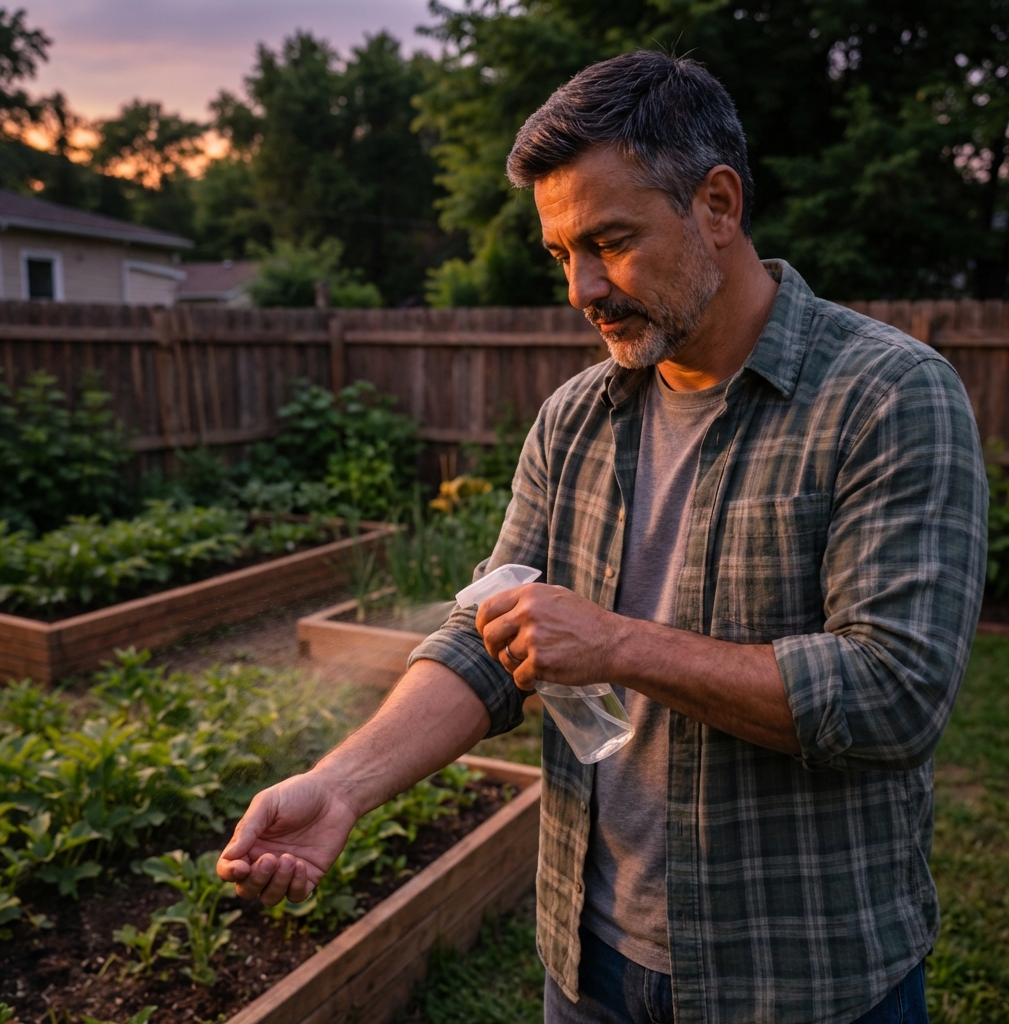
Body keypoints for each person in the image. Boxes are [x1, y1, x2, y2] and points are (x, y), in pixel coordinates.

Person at [217, 51, 987, 1024]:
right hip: (589, 963)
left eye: (610, 242)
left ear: (717, 204)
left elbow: (894, 695)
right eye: (561, 255)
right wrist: (339, 787)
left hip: (801, 975)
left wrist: (617, 642)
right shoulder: (575, 417)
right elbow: (486, 640)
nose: (582, 288)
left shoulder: (887, 397)